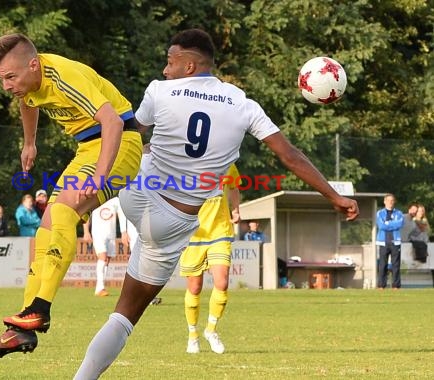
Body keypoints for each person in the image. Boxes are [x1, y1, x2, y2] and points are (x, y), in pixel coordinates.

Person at [74, 28, 359, 378]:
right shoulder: (243, 104)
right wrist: (335, 197)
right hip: (173, 224)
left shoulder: (158, 91)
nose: (165, 70)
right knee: (123, 317)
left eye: (170, 61)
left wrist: (96, 171)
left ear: (190, 66)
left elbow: (129, 138)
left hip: (138, 194)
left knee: (130, 143)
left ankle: (64, 218)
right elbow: (290, 156)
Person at [0, 33, 142, 357]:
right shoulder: (30, 84)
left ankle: (40, 308)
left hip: (120, 144)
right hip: (89, 147)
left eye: (11, 77)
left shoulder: (63, 77)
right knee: (46, 228)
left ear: (34, 65)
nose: (7, 86)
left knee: (65, 208)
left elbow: (112, 121)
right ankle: (21, 329)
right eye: (2, 79)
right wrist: (29, 142)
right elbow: (27, 102)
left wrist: (101, 174)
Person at [180, 163, 240, 355]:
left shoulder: (227, 162)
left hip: (220, 231)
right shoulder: (185, 165)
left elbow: (234, 185)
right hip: (194, 234)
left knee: (222, 283)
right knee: (194, 287)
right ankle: (193, 335)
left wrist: (235, 209)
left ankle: (211, 330)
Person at [82, 197, 129, 297]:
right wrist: (86, 232)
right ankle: (100, 287)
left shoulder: (116, 200)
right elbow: (86, 215)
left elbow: (122, 215)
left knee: (107, 260)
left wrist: (123, 232)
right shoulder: (96, 197)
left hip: (111, 235)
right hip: (98, 234)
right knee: (102, 257)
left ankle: (101, 286)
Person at [376, 193, 404, 290]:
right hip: (383, 242)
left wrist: (387, 223)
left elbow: (399, 224)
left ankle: (396, 286)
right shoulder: (380, 213)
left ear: (394, 202)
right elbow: (381, 226)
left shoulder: (399, 213)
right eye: (388, 200)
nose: (390, 203)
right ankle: (381, 285)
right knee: (382, 264)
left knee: (396, 265)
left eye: (392, 201)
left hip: (395, 242)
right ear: (384, 202)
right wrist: (392, 224)